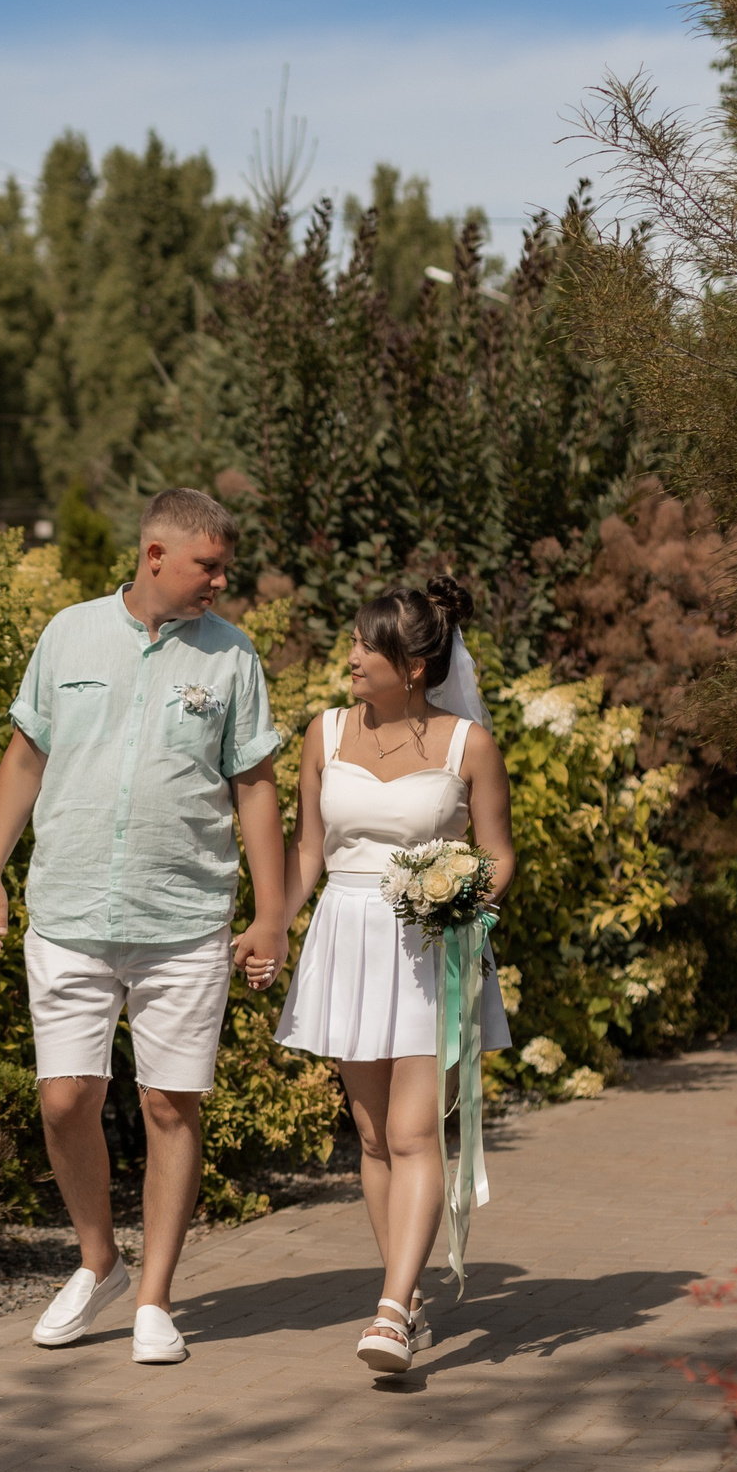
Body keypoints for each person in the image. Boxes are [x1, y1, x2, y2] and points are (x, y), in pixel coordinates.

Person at [0, 488, 288, 1365]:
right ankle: (99, 1261)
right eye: (207, 566)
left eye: (225, 566)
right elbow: (26, 753)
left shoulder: (233, 658)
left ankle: (154, 1301)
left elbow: (254, 786)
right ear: (153, 554)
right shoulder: (68, 633)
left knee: (167, 1104)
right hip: (69, 908)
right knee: (66, 1097)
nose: (222, 580)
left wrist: (271, 912)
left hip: (183, 917)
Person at [273, 577, 513, 1374]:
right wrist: (272, 919)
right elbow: (308, 851)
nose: (349, 657)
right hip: (346, 937)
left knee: (413, 1133)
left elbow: (499, 854)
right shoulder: (325, 732)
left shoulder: (466, 745)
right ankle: (402, 1291)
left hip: (429, 950)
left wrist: (463, 896)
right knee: (372, 1137)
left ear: (412, 665)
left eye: (364, 646)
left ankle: (388, 1314)